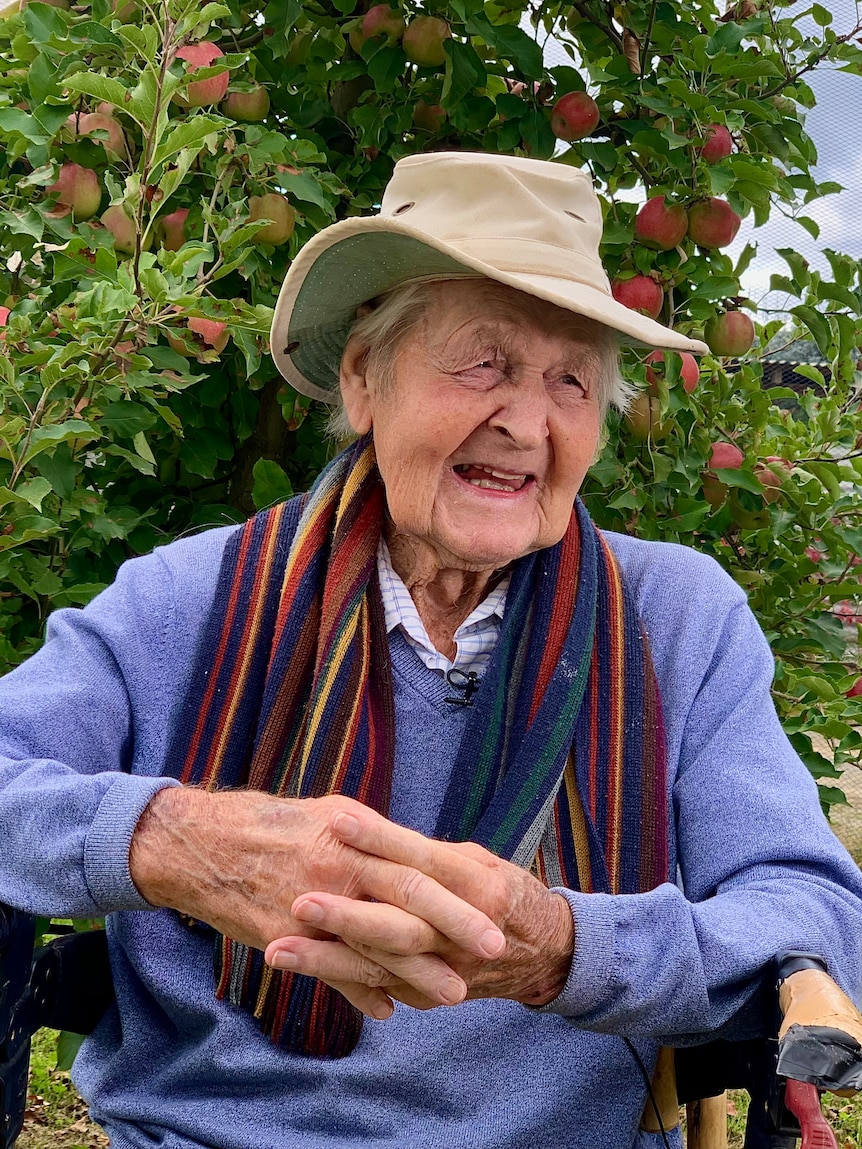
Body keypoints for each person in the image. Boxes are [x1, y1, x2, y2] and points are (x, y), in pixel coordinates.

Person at [0, 151, 860, 1149]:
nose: (526, 422)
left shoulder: (675, 618)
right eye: (483, 363)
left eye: (571, 381)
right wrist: (176, 843)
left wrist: (566, 950)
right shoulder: (189, 600)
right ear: (364, 379)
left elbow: (813, 915)